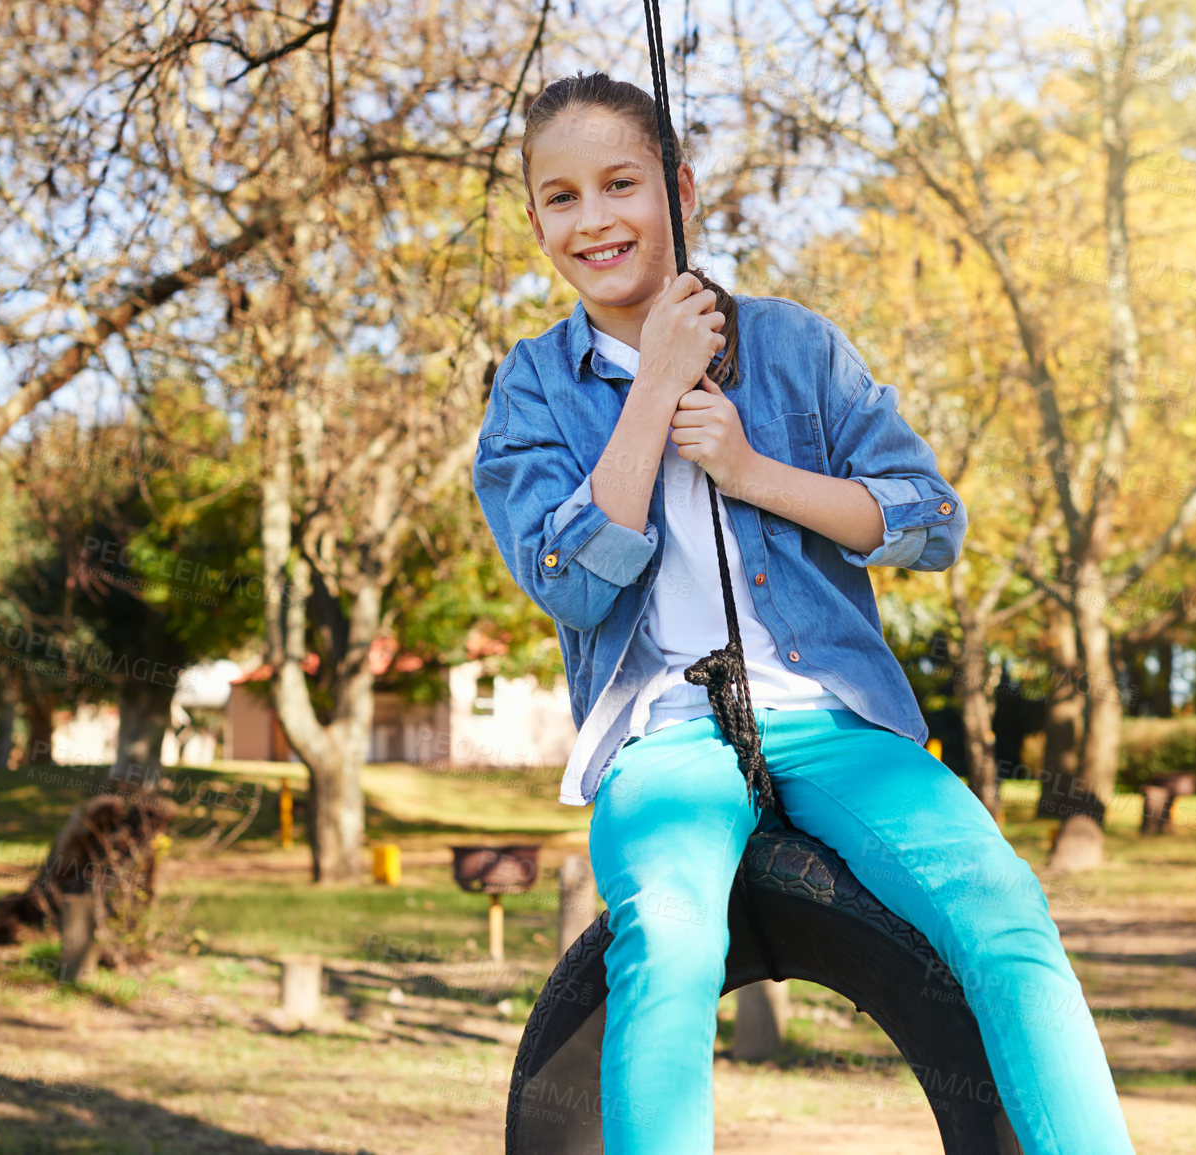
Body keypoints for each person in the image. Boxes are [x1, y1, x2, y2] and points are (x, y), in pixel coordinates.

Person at [471, 70, 1137, 1155]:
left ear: (680, 188)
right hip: (664, 737)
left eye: (620, 184)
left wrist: (751, 468)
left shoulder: (796, 347)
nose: (592, 220)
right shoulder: (534, 389)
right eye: (560, 197)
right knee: (674, 948)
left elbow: (932, 524)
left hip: (833, 719)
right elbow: (569, 582)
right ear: (537, 215)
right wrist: (652, 394)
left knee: (1008, 921)